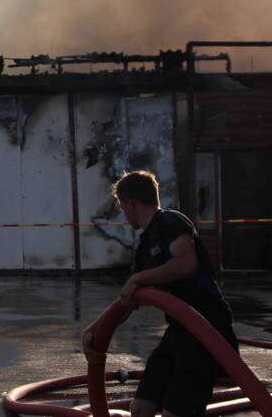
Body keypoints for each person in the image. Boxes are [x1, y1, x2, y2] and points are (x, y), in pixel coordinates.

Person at [81, 170, 237, 417]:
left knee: (175, 413)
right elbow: (129, 299)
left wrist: (139, 278)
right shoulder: (144, 248)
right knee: (140, 409)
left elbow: (186, 264)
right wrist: (94, 329)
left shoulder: (171, 222)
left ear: (130, 204)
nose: (123, 213)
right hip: (179, 330)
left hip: (207, 329)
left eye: (122, 206)